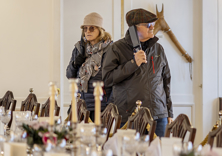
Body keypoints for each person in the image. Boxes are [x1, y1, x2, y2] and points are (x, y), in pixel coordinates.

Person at [102, 8, 173, 137]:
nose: (152, 27)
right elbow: (108, 79)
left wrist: (169, 112)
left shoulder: (158, 49)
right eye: (148, 25)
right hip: (130, 115)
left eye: (153, 24)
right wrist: (133, 64)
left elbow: (166, 80)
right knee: (130, 154)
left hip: (158, 115)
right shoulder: (116, 48)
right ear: (134, 29)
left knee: (158, 155)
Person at [66, 12, 113, 121]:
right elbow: (69, 75)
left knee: (97, 137)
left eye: (91, 28)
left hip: (100, 105)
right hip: (80, 103)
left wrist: (109, 104)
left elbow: (113, 79)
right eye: (85, 28)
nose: (87, 31)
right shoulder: (79, 48)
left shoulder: (110, 49)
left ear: (100, 30)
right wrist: (75, 63)